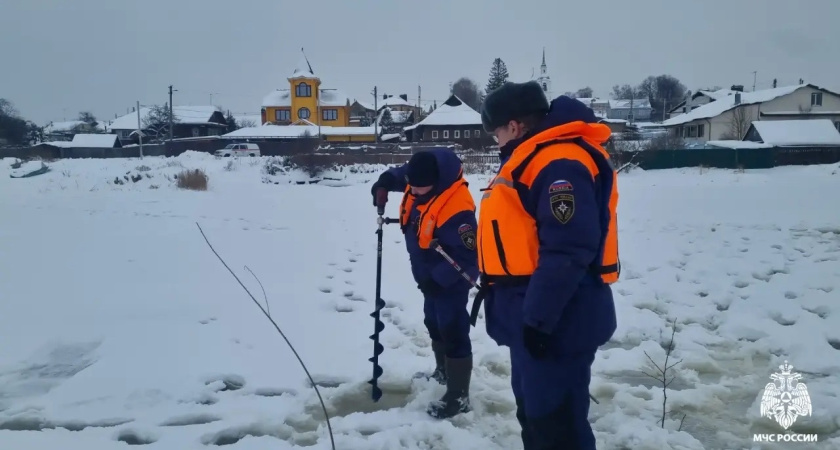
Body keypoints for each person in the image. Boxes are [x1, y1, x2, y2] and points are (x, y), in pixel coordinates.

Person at [475, 81, 620, 449]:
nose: (495, 140)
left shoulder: (558, 163)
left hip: (557, 321)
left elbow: (569, 248)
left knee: (558, 427)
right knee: (536, 420)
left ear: (515, 125)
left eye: (496, 131)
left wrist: (538, 321)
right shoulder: (534, 157)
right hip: (533, 318)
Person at [370, 148, 478, 419]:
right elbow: (401, 176)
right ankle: (442, 371)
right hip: (427, 275)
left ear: (437, 182)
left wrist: (439, 281)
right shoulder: (421, 172)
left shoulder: (458, 209)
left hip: (451, 279)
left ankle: (458, 395)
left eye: (419, 189)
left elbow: (468, 256)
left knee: (453, 329)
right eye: (411, 187)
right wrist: (384, 182)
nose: (413, 193)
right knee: (433, 322)